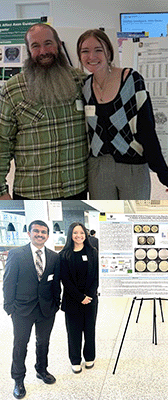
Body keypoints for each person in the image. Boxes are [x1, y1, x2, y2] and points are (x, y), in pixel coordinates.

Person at [76, 29, 168, 199]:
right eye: (85, 51)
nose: (91, 56)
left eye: (98, 50)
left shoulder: (131, 80)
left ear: (109, 52)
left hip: (133, 167)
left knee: (133, 216)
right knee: (105, 219)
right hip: (98, 169)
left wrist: (163, 173)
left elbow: (147, 129)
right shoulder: (85, 87)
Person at [0, 23, 88, 200]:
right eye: (35, 46)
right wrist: (1, 191)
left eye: (48, 43)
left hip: (75, 189)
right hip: (32, 193)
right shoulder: (13, 90)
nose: (43, 51)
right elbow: (2, 144)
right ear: (28, 51)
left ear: (59, 45)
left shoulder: (81, 82)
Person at [3, 220, 61, 399]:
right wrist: (9, 307)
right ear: (29, 233)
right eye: (36, 231)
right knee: (20, 344)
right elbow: (8, 282)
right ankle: (18, 380)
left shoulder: (54, 256)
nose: (40, 234)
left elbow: (56, 283)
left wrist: (56, 304)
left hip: (46, 309)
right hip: (21, 309)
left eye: (43, 232)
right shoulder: (16, 254)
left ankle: (41, 370)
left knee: (43, 342)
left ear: (48, 235)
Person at [59, 222, 99, 373]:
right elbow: (65, 279)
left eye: (82, 232)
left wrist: (89, 295)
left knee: (90, 330)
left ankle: (90, 357)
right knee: (73, 332)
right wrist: (79, 297)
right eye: (75, 233)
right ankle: (75, 360)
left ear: (86, 234)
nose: (79, 236)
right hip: (72, 300)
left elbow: (96, 276)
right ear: (70, 235)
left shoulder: (93, 252)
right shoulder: (64, 255)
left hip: (90, 299)